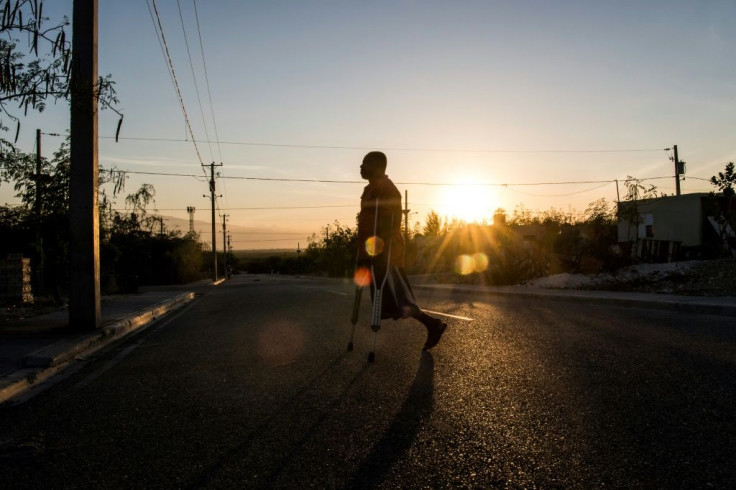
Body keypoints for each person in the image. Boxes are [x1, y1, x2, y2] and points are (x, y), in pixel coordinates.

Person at [356, 151, 447, 350]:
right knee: (390, 303)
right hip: (373, 253)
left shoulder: (388, 191)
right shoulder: (369, 190)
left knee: (401, 299)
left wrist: (378, 249)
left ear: (378, 168)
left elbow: (390, 225)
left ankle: (434, 325)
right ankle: (433, 325)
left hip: (388, 254)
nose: (360, 167)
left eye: (365, 164)